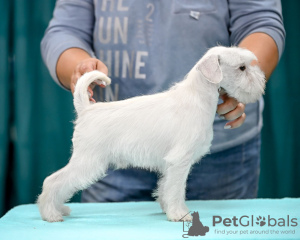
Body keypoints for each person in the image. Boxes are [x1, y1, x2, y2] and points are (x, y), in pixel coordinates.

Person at [41, 0, 285, 202]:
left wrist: (237, 89)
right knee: (81, 172)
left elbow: (261, 20)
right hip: (112, 132)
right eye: (242, 69)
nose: (251, 73)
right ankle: (51, 196)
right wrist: (79, 68)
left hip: (225, 153)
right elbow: (65, 29)